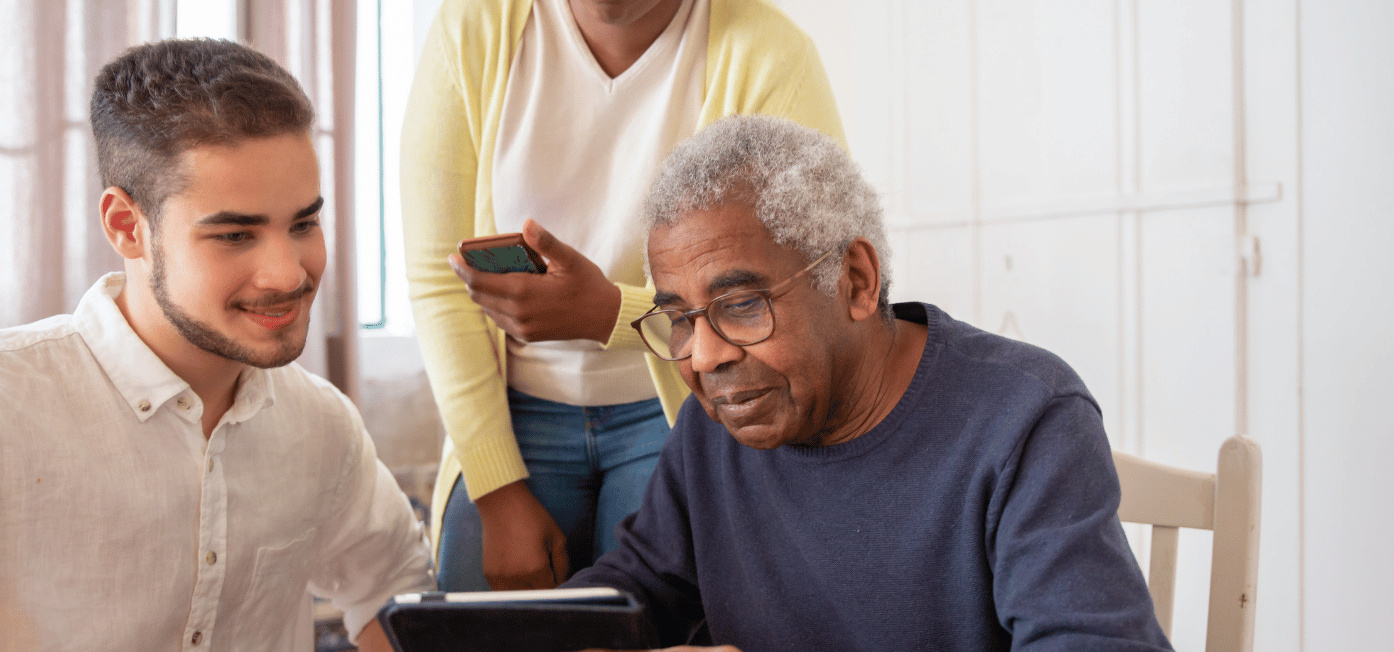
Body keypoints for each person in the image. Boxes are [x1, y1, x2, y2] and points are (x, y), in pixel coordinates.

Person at [561, 115, 1175, 651]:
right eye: (680, 320)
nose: (705, 355)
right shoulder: (717, 420)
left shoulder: (1023, 418)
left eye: (743, 304)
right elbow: (635, 592)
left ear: (855, 280)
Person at [0, 39, 434, 652]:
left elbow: (394, 597)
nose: (287, 274)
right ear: (128, 227)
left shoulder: (321, 425)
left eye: (304, 223)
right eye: (234, 235)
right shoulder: (11, 406)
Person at [400, 0, 846, 592]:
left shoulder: (769, 52)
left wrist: (611, 314)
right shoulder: (473, 29)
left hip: (685, 407)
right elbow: (438, 278)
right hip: (509, 410)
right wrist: (497, 491)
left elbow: (806, 288)